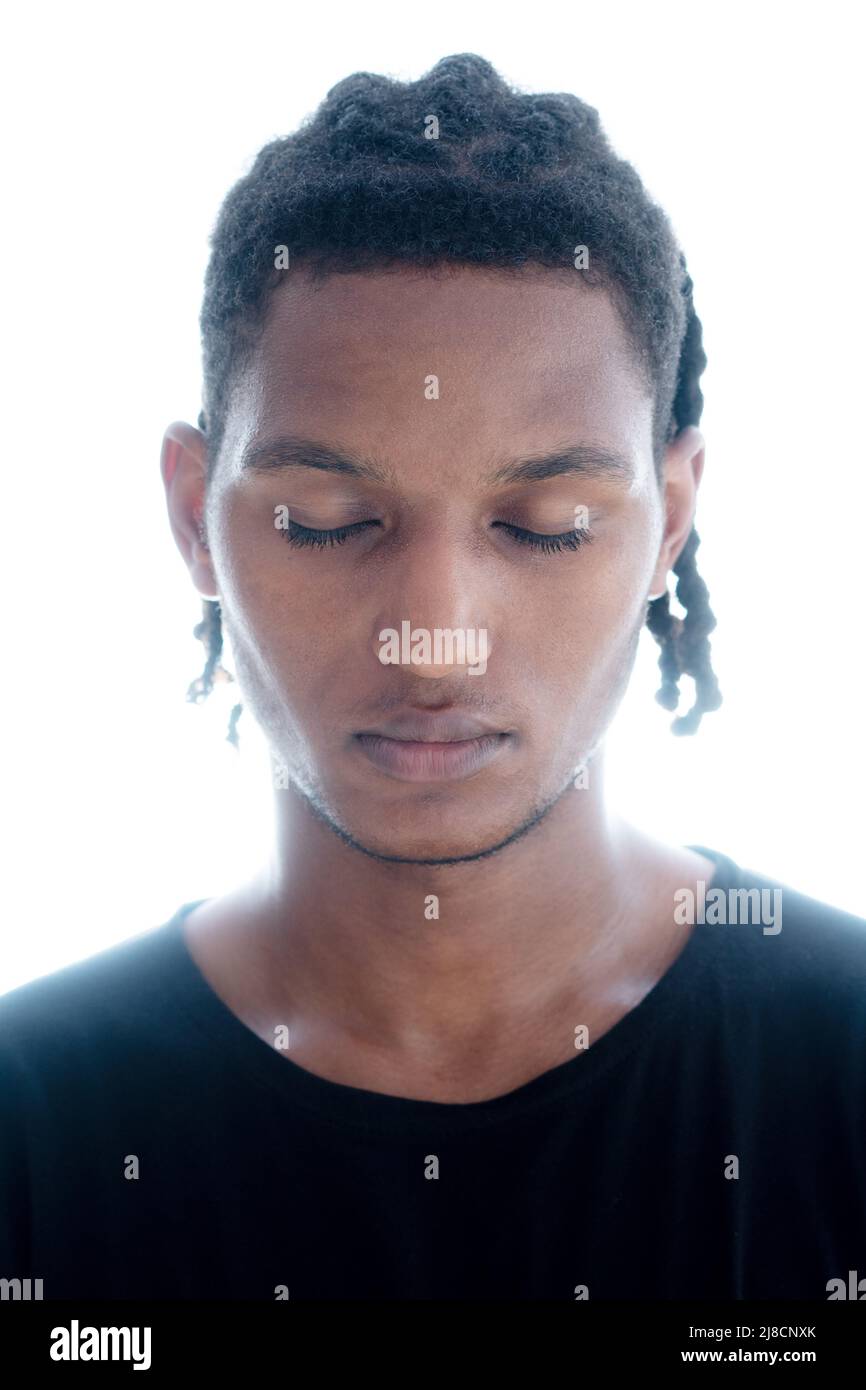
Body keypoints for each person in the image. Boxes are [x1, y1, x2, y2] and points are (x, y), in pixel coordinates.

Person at [1, 53, 864, 1303]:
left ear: (669, 519)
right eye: (329, 519)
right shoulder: (32, 1124)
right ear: (195, 516)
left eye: (547, 522)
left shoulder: (842, 1075)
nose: (434, 634)